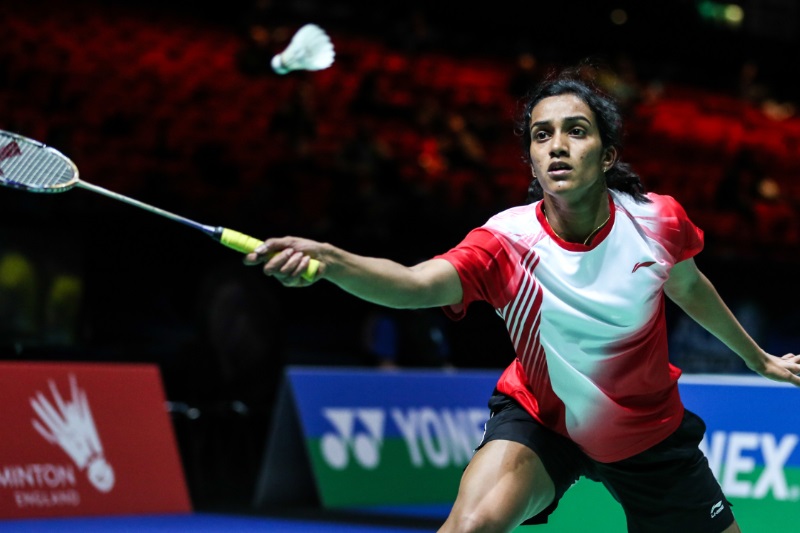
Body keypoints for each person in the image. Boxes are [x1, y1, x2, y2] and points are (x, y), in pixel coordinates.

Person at [243, 68, 800, 533]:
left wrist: (758, 360)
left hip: (646, 429)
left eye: (576, 131)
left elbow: (689, 287)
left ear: (607, 155)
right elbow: (414, 284)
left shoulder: (656, 221)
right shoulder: (506, 242)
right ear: (531, 159)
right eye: (541, 135)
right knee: (469, 527)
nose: (557, 145)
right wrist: (332, 262)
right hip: (542, 420)